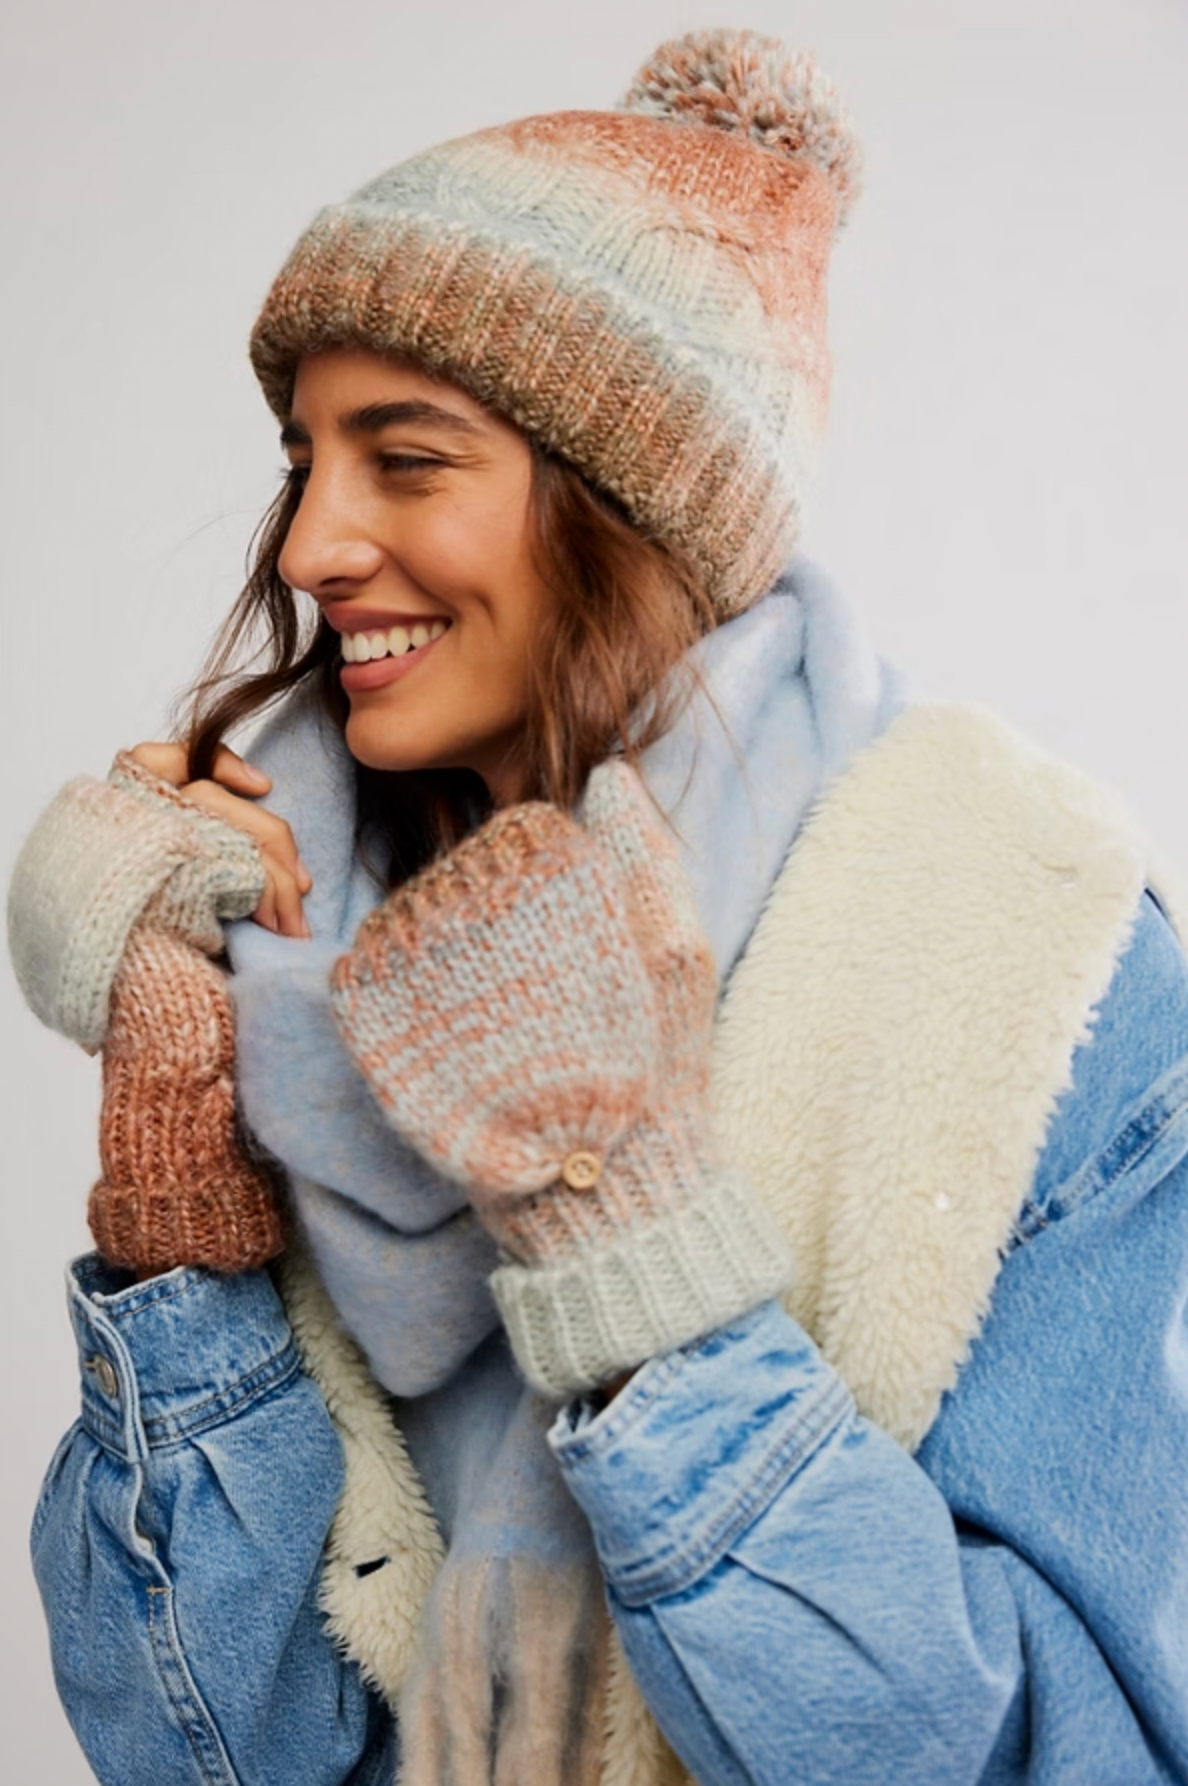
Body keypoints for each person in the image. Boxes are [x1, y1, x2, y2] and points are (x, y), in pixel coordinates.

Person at [8, 26, 1188, 1786]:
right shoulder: (293, 951)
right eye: (303, 457)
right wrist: (178, 1154)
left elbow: (1057, 1754)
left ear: (633, 506)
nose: (317, 543)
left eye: (404, 459)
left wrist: (622, 1227)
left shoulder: (1029, 960)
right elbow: (219, 1757)